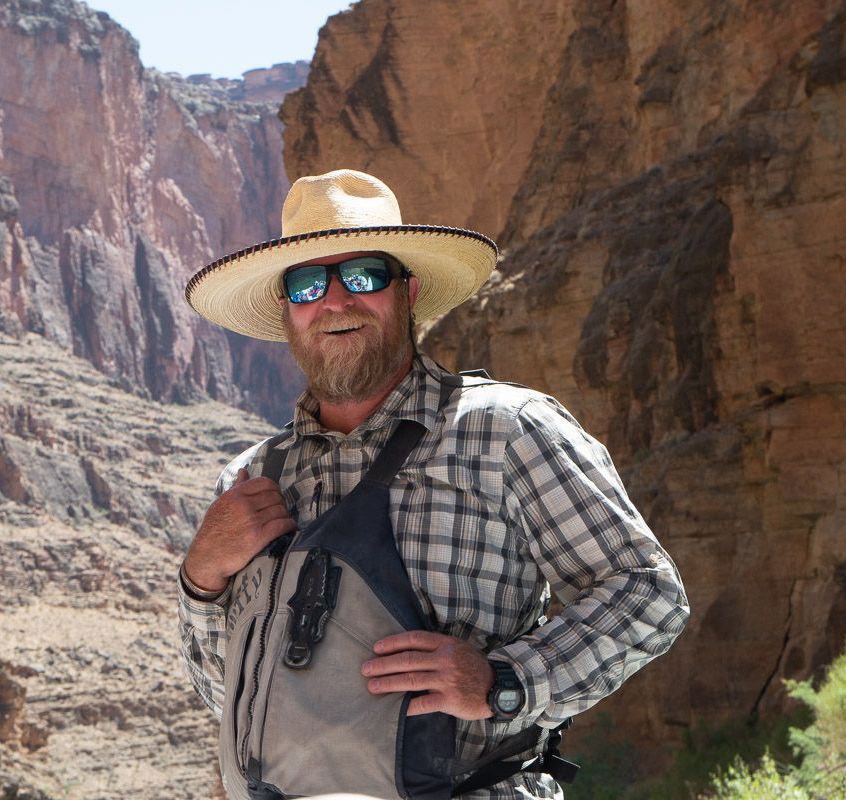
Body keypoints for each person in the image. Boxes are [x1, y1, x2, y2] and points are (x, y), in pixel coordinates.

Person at [178, 169, 688, 799]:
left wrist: (507, 683)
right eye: (309, 284)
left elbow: (646, 593)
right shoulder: (252, 478)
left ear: (408, 291)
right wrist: (200, 580)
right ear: (288, 310)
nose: (335, 301)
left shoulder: (505, 430)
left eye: (363, 276)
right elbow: (229, 693)